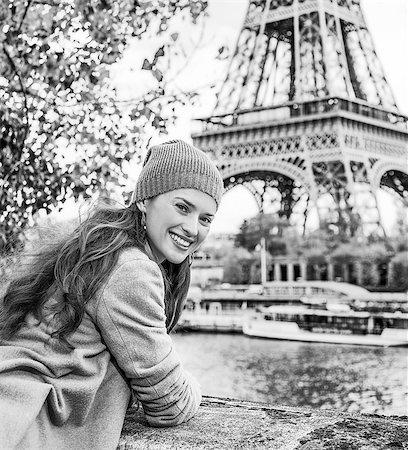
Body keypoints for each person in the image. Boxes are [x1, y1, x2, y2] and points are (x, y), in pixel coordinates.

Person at [0, 139, 224, 450]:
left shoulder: (106, 248)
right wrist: (194, 386)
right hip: (25, 424)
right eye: (182, 207)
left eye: (205, 219)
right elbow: (170, 403)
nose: (192, 227)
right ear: (145, 200)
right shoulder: (132, 268)